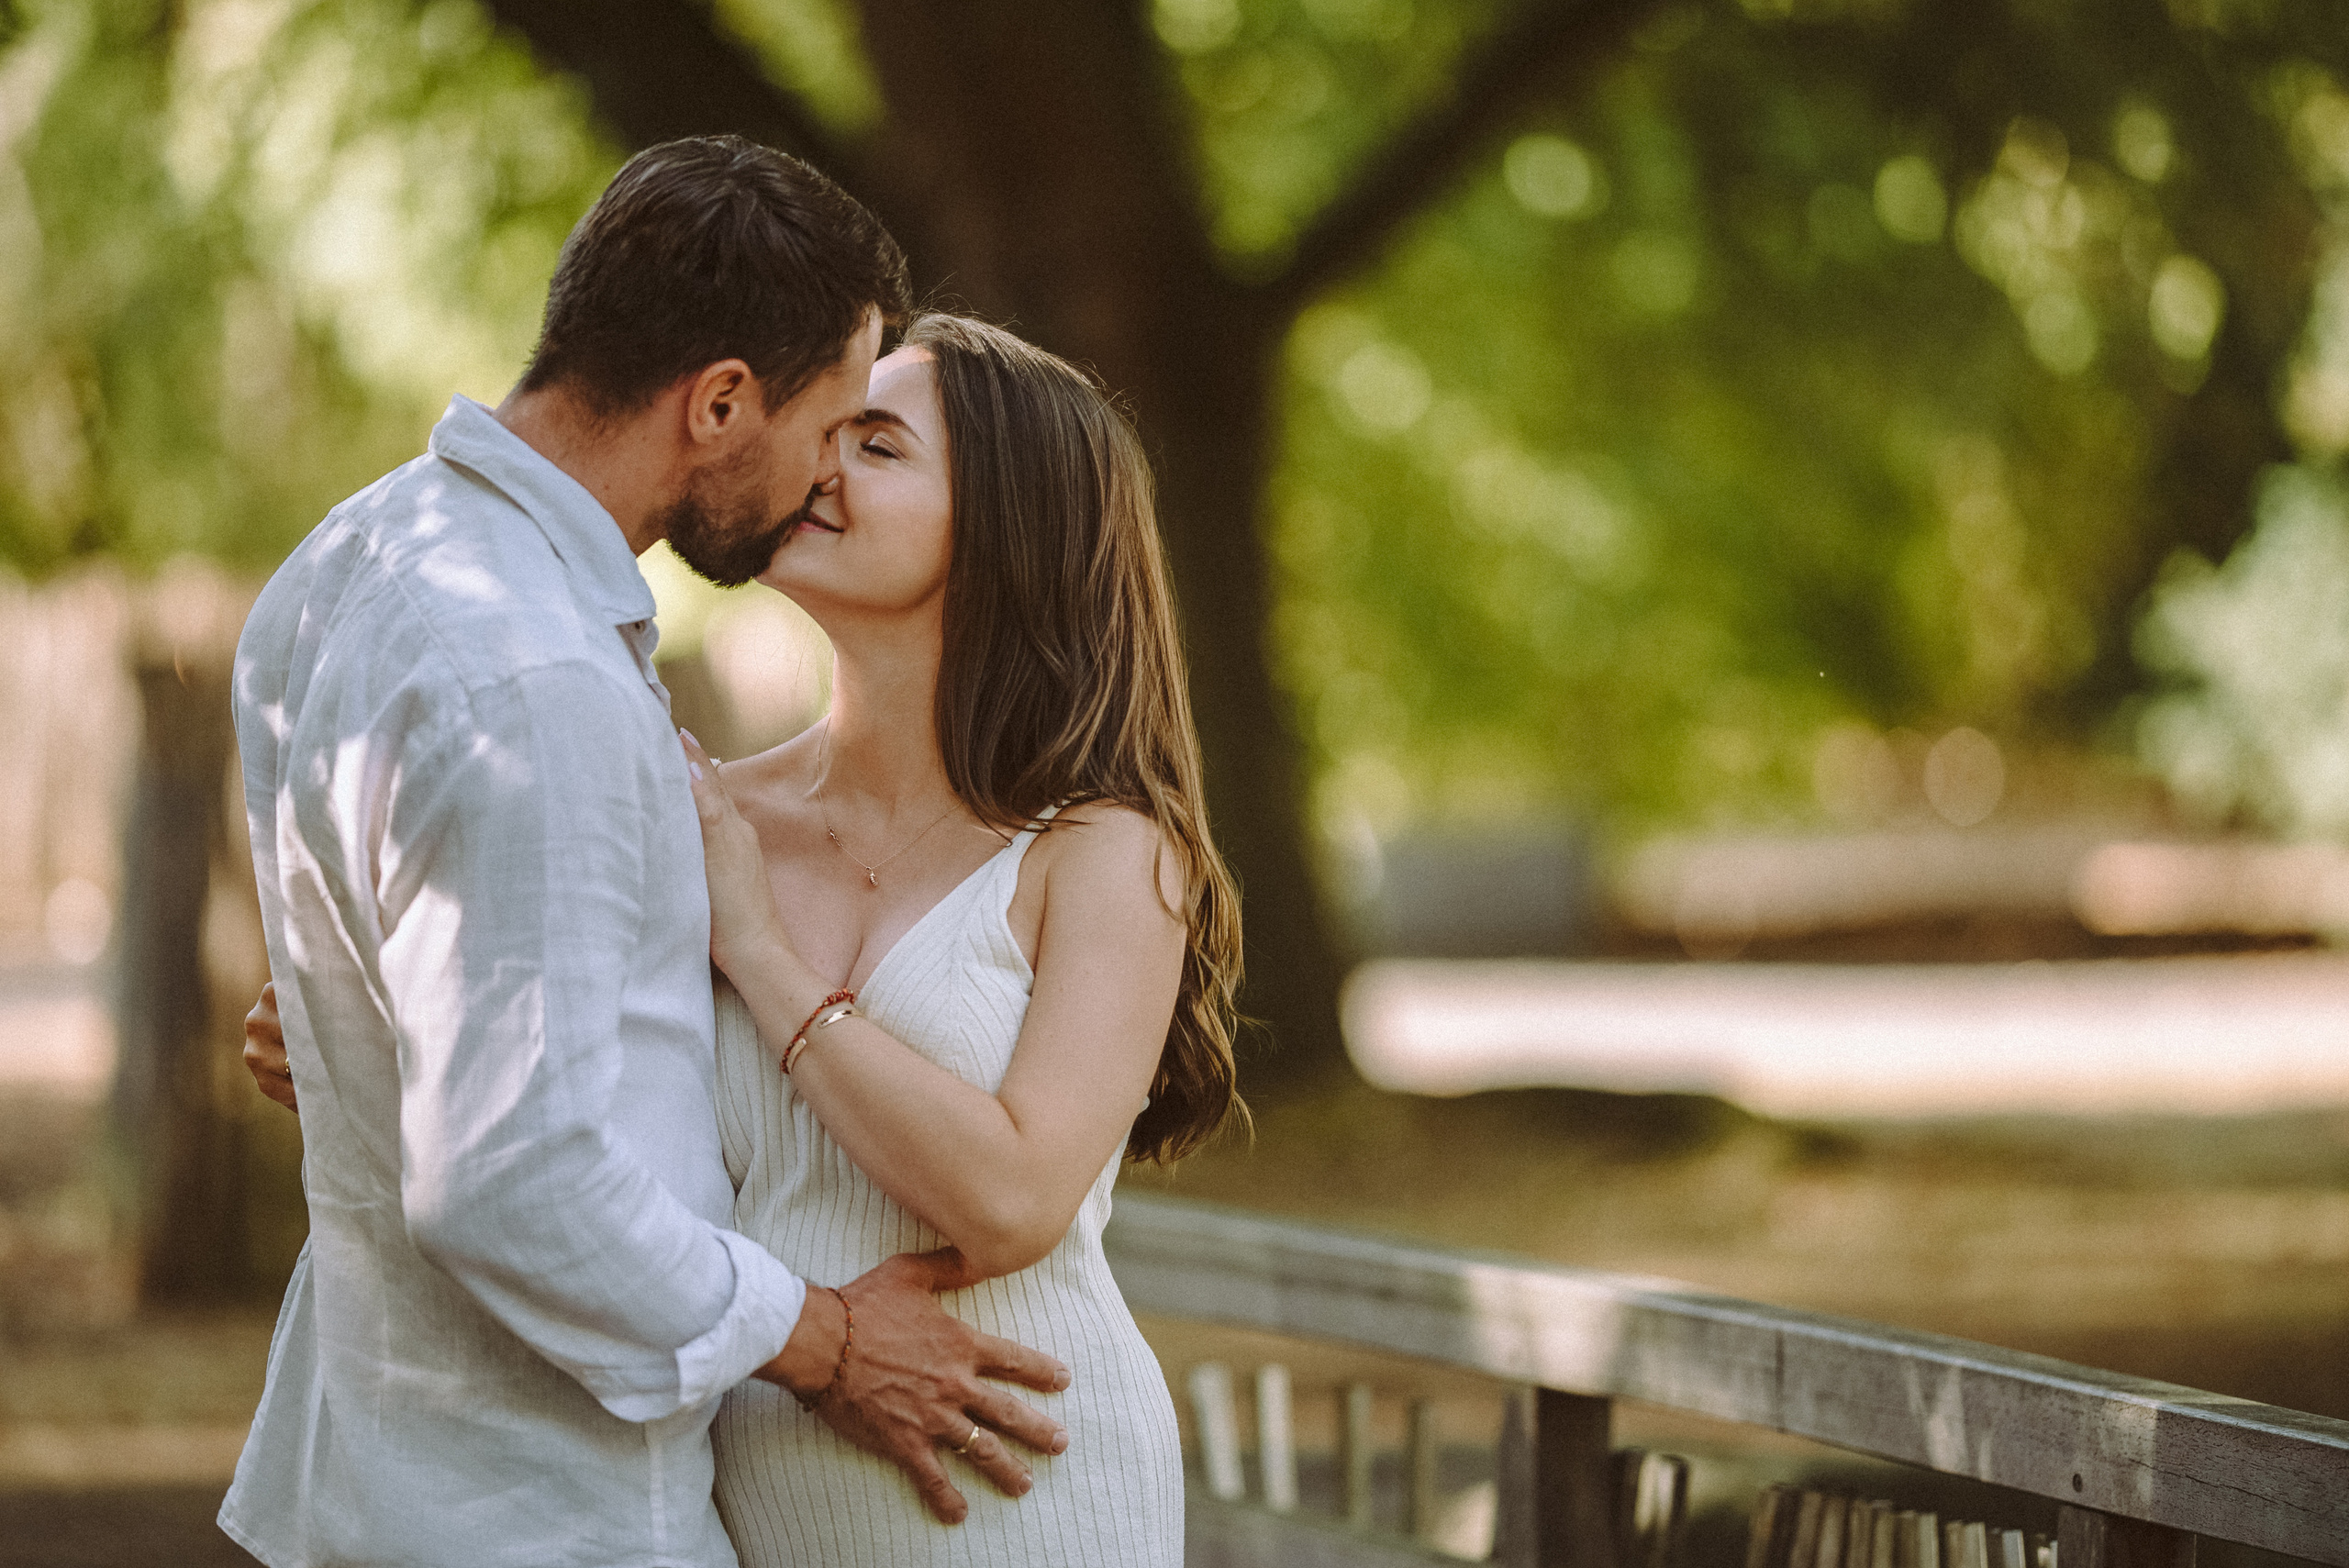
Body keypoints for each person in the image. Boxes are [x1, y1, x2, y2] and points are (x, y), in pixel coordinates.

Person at [221, 137, 1068, 1568]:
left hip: (373, 1480)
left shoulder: (344, 562)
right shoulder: (532, 676)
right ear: (722, 400)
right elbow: (510, 1175)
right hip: (535, 1509)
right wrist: (831, 1339)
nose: (821, 478)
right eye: (831, 423)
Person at [676, 311, 1245, 1567]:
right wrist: (362, 1025)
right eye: (829, 429)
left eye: (875, 445)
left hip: (1027, 1489)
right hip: (754, 1500)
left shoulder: (1102, 849)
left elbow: (1009, 1196)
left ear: (1003, 530)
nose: (816, 463)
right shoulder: (704, 813)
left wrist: (764, 956)